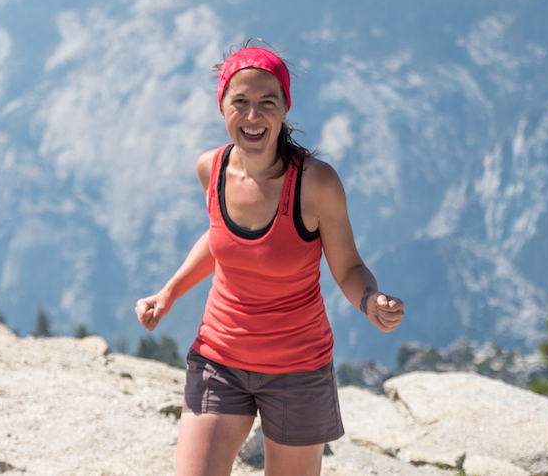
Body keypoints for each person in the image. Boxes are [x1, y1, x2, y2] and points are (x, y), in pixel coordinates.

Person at [135, 42, 405, 476]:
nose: (253, 116)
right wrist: (168, 294)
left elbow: (349, 268)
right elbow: (221, 239)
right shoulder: (212, 169)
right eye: (240, 103)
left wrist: (370, 299)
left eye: (267, 103)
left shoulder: (316, 184)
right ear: (222, 107)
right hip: (219, 357)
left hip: (297, 369)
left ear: (284, 110)